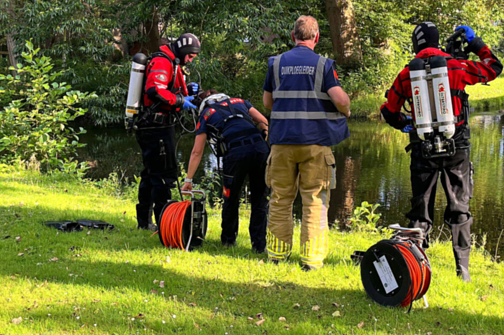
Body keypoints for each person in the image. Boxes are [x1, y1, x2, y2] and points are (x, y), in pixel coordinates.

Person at [380, 22, 502, 281]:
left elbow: (389, 111)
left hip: (422, 148)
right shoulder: (457, 66)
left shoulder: (406, 74)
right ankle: (463, 271)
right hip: (456, 147)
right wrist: (476, 43)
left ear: (416, 44)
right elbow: (494, 67)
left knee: (420, 209)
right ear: (437, 42)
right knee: (460, 207)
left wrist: (405, 124)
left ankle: (417, 271)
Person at [263, 15, 351, 270]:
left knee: (280, 198)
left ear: (293, 36)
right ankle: (311, 260)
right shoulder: (323, 65)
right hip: (315, 143)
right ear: (316, 37)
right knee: (314, 200)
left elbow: (267, 103)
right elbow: (340, 100)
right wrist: (345, 110)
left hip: (281, 142)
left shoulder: (276, 63)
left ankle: (277, 256)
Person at [180, 90, 270, 253]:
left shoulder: (206, 114)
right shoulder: (240, 102)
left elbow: (197, 152)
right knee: (260, 200)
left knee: (230, 197)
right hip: (260, 150)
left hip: (235, 153)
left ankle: (228, 241)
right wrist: (263, 138)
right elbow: (263, 121)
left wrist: (189, 180)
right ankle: (259, 246)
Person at [134, 33, 200, 230]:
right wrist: (180, 100)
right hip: (156, 127)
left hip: (155, 125)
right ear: (183, 51)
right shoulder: (163, 61)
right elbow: (155, 90)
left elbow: (167, 88)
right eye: (190, 56)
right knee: (163, 176)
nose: (190, 60)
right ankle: (164, 225)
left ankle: (145, 223)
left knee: (150, 174)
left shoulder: (171, 61)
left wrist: (186, 91)